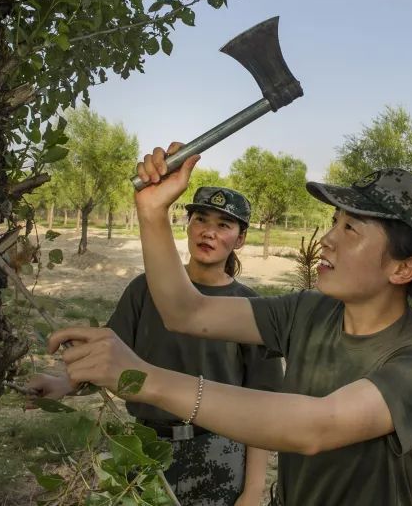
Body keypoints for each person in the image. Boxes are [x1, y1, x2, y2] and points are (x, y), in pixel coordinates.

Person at [47, 147, 412, 506]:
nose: (327, 238)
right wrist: (153, 213)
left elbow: (315, 426)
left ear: (402, 269)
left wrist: (145, 380)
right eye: (334, 222)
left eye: (350, 229)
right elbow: (187, 312)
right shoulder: (309, 311)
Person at [29, 186, 283, 506]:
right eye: (201, 219)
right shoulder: (145, 290)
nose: (208, 232)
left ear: (241, 239)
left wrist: (252, 491)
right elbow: (108, 358)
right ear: (187, 225)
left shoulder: (250, 309)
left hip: (220, 453)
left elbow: (263, 408)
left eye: (223, 225)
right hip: (145, 448)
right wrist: (61, 384)